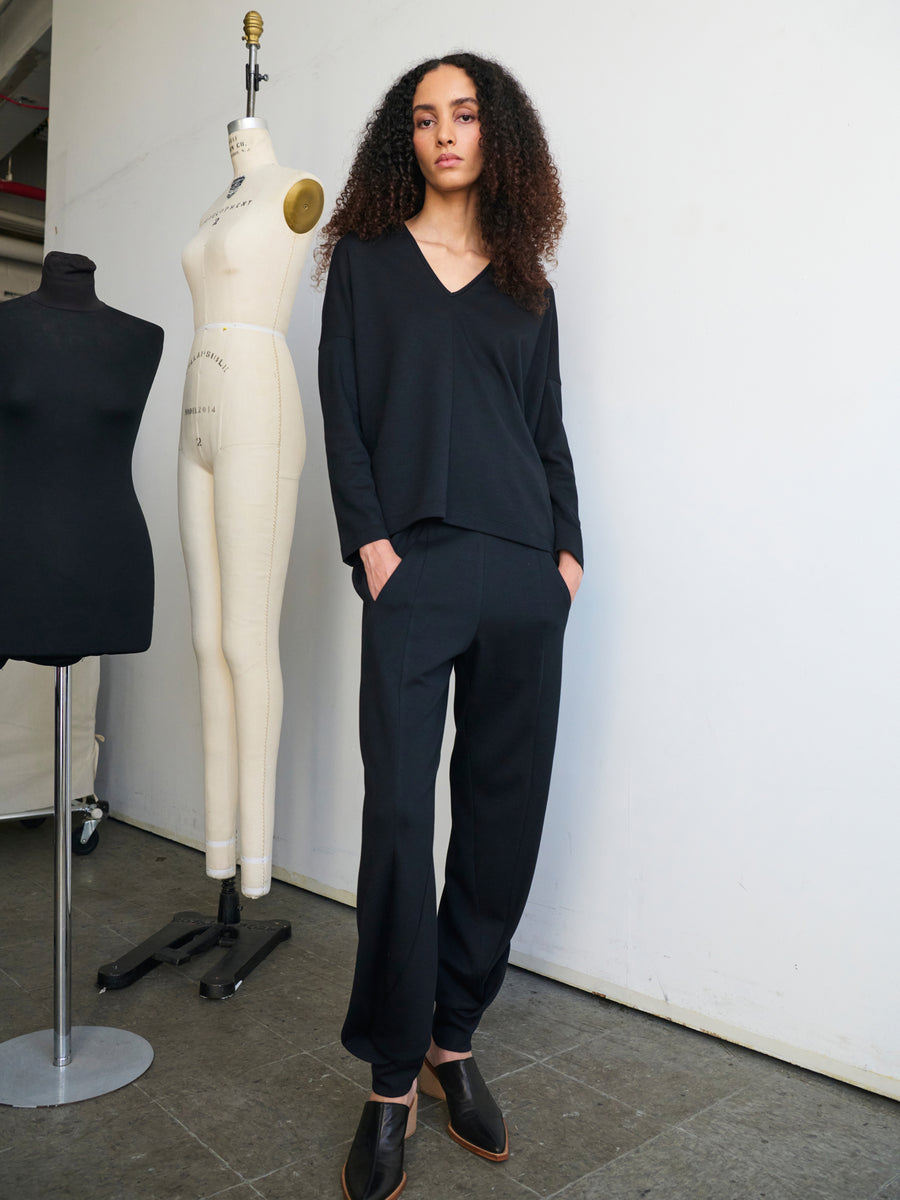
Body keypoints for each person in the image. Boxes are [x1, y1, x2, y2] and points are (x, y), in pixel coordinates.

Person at [316, 51, 583, 1200]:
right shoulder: (367, 266)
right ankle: (388, 1081)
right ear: (404, 139)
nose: (445, 134)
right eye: (426, 118)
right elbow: (341, 410)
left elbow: (550, 432)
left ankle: (451, 1041)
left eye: (465, 115)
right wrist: (373, 548)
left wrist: (568, 556)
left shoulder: (528, 282)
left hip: (524, 570)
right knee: (394, 820)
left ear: (496, 135)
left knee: (501, 814)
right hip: (415, 570)